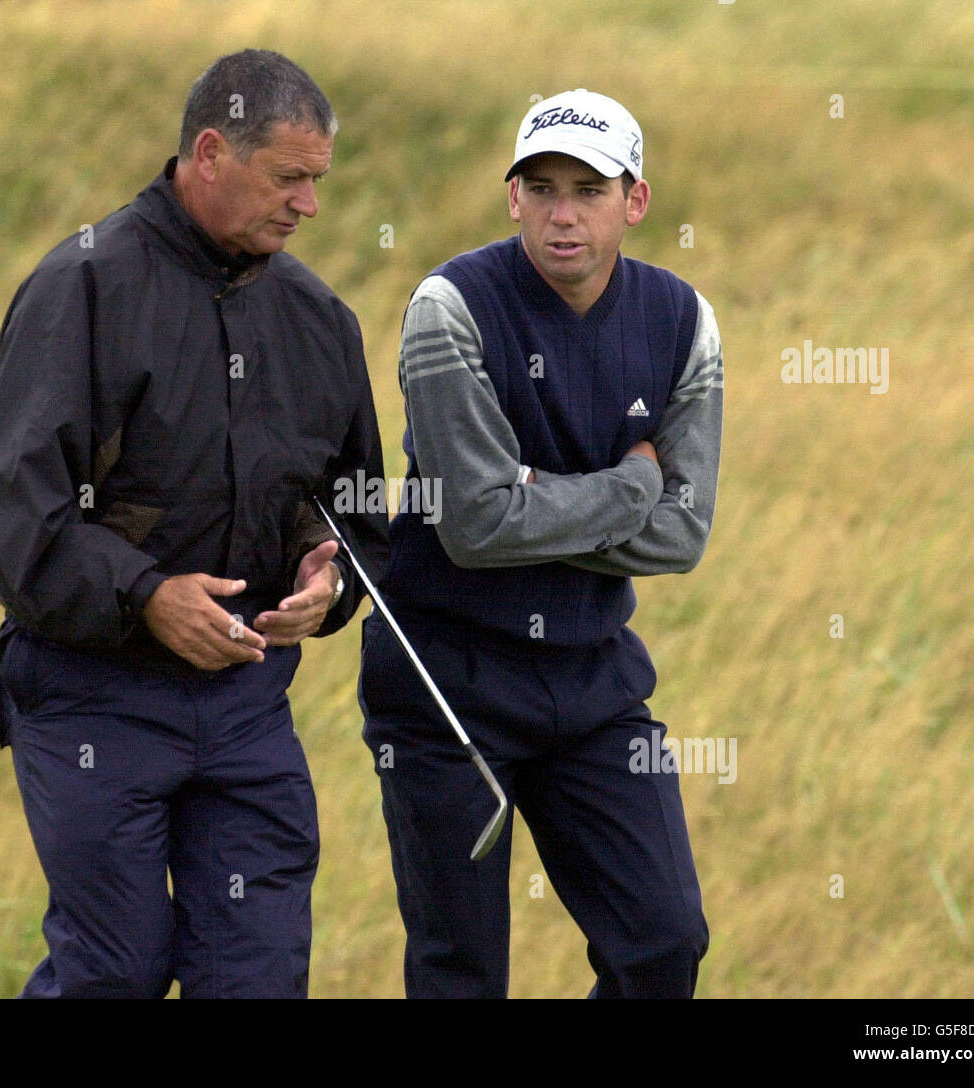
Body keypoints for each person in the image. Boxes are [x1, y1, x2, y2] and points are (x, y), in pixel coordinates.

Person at [0, 49, 389, 999]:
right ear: (208, 150)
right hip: (90, 698)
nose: (308, 205)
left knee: (259, 977)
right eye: (288, 177)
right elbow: (6, 509)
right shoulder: (84, 287)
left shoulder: (321, 321)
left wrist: (330, 582)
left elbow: (356, 513)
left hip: (248, 710)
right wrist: (147, 596)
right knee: (115, 971)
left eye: (318, 181)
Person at [359, 88, 724, 998]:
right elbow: (477, 527)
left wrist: (535, 502)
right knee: (462, 972)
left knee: (664, 944)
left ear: (635, 201)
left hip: (593, 678)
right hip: (447, 681)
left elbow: (682, 535)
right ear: (512, 195)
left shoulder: (684, 322)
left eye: (590, 190)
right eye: (543, 187)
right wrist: (632, 484)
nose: (565, 214)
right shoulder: (452, 308)